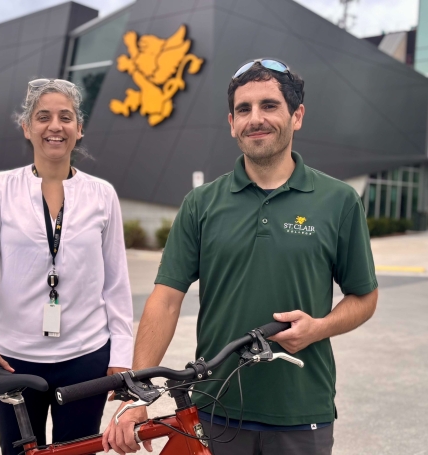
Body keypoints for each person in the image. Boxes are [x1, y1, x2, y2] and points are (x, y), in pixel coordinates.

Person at [102, 59, 379, 455]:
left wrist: (318, 328)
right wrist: (137, 394)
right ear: (232, 123)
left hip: (301, 412)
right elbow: (165, 300)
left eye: (269, 106)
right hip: (213, 410)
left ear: (296, 116)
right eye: (244, 109)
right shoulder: (201, 204)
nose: (256, 119)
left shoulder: (338, 201)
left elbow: (364, 297)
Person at [0, 78, 134, 455]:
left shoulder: (102, 195)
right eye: (43, 117)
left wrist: (120, 358)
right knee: (19, 452)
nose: (55, 126)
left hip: (86, 357)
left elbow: (116, 284)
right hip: (13, 357)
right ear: (27, 127)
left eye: (65, 117)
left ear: (79, 129)